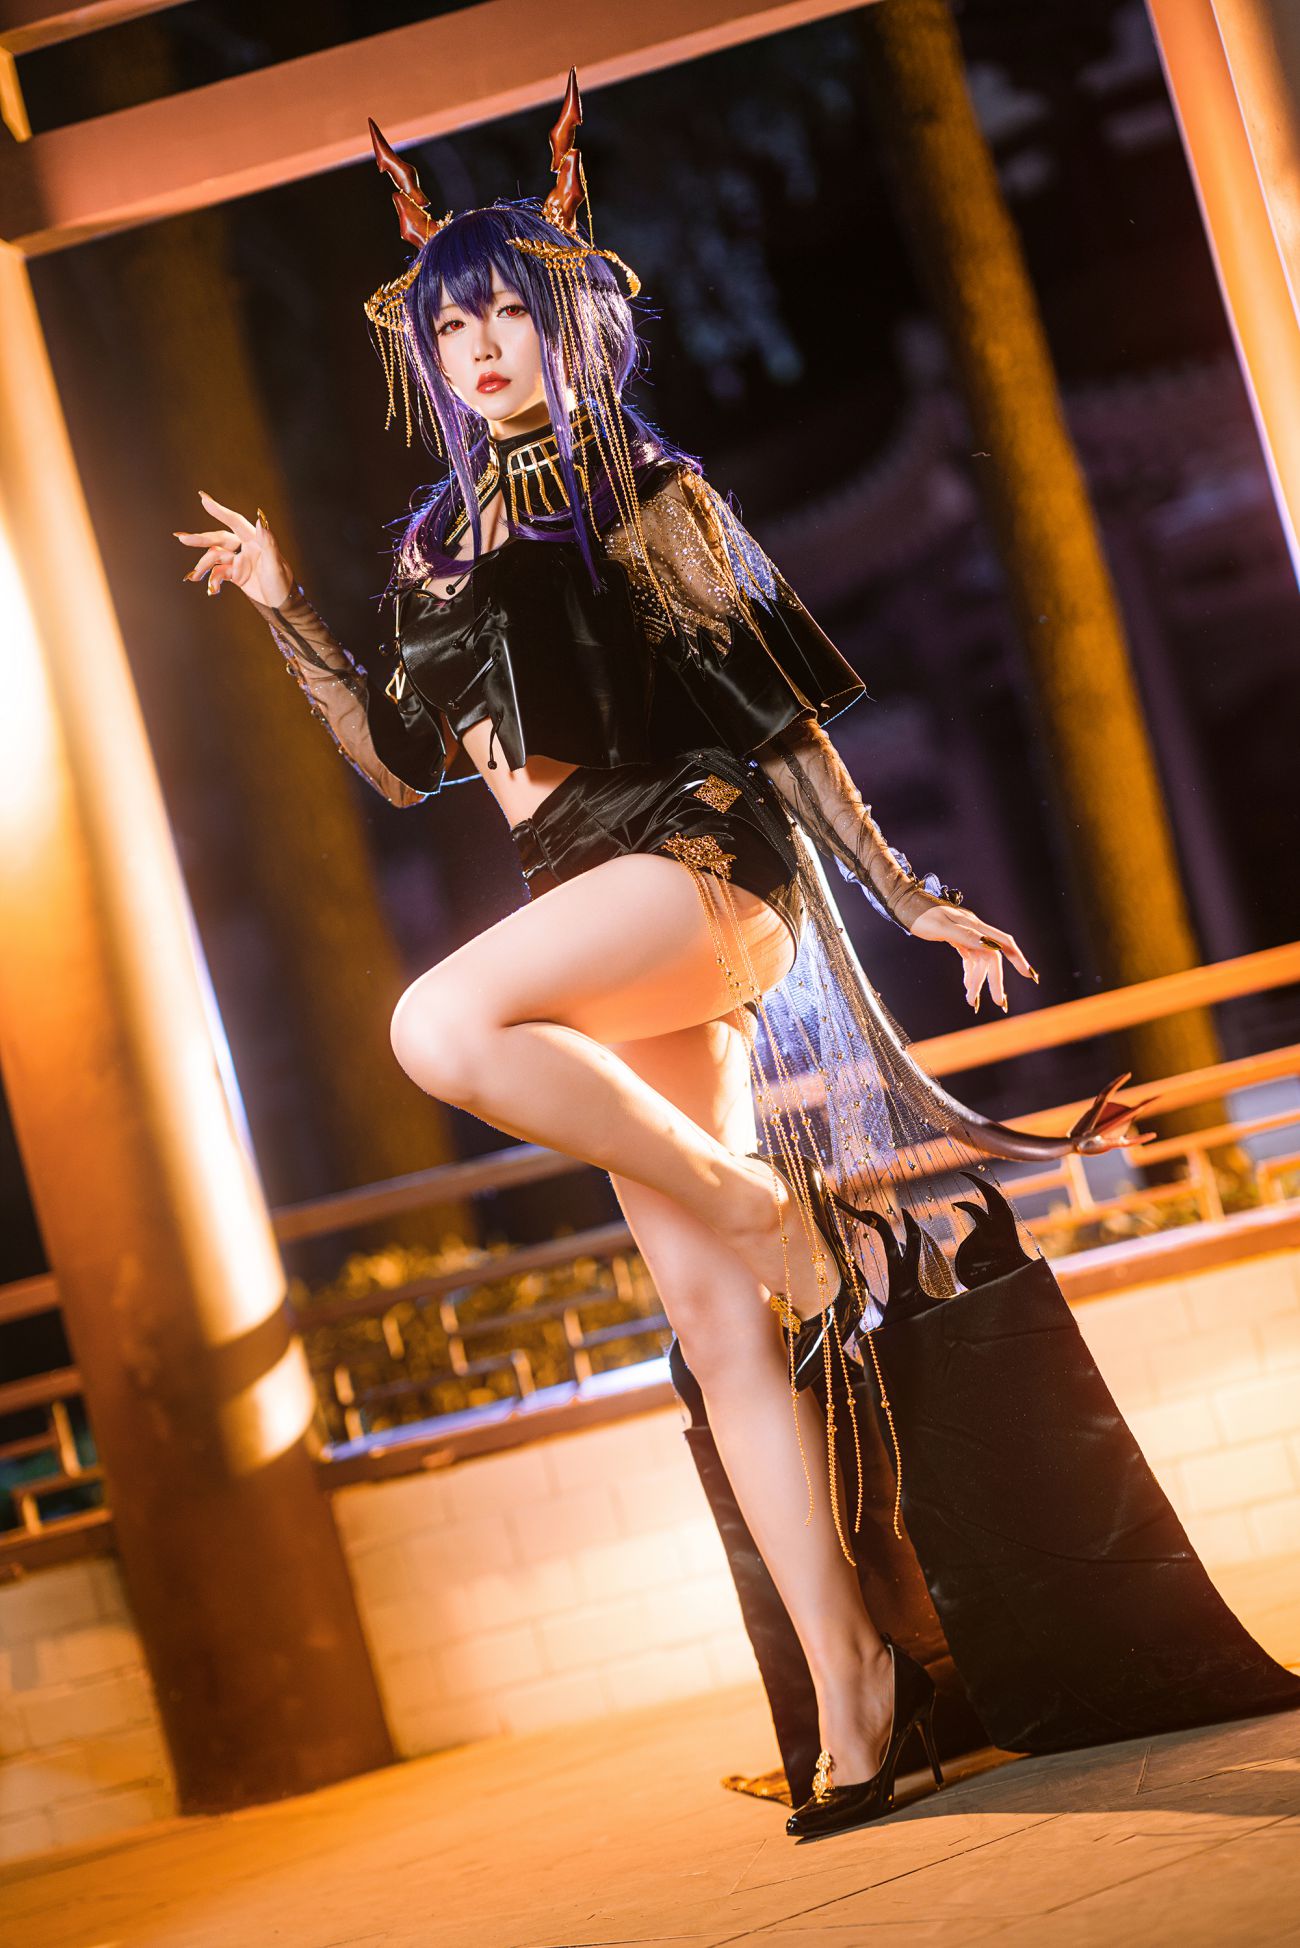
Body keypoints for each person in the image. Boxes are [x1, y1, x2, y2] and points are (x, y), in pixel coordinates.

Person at [175, 75, 1152, 1839]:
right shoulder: (434, 548)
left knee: (436, 1021)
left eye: (505, 311)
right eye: (450, 323)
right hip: (594, 924)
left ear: (566, 320)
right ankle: (861, 1697)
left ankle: (777, 1216)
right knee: (712, 1331)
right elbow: (401, 764)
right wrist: (281, 604)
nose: (479, 344)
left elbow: (778, 711)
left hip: (696, 869)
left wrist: (907, 890)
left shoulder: (649, 488)